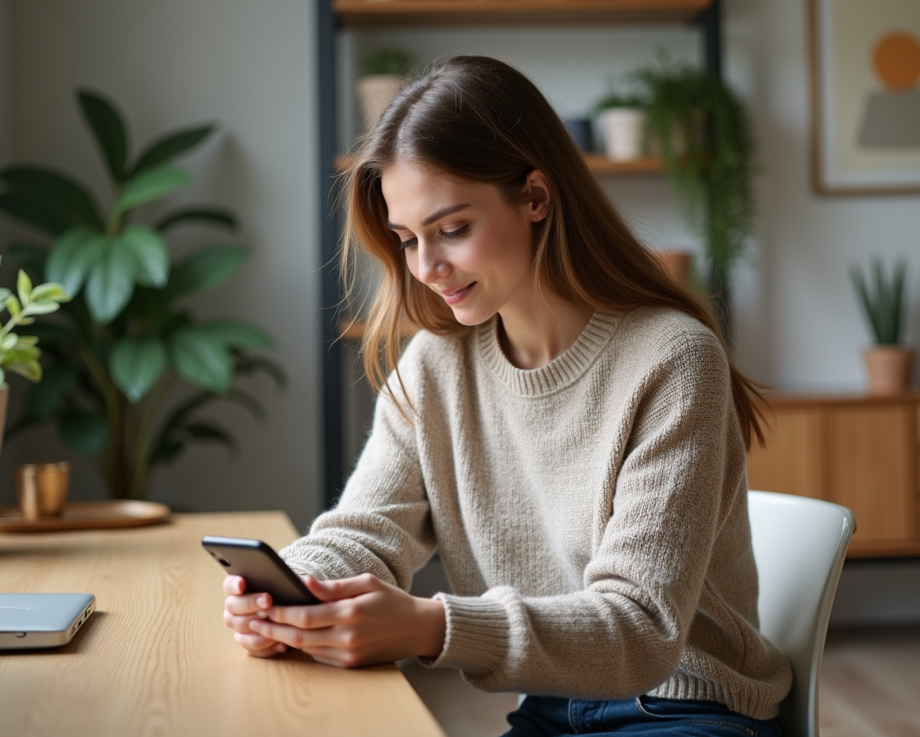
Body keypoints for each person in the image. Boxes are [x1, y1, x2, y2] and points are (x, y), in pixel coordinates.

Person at [222, 55, 791, 736]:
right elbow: (364, 532)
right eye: (407, 240)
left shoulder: (673, 359)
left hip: (680, 706)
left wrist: (430, 626)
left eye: (451, 229)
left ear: (535, 197)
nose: (426, 268)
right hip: (552, 706)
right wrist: (292, 592)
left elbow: (640, 629)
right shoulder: (436, 365)